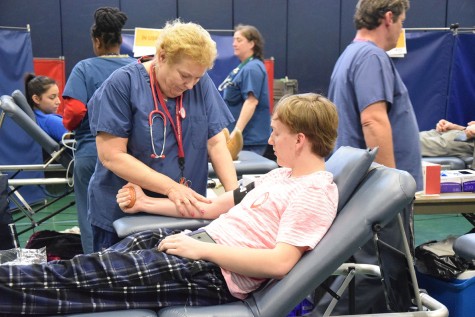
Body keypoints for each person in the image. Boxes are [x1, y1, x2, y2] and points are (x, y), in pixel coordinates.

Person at [0, 93, 338, 315]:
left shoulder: (313, 191)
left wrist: (201, 251)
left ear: (299, 139)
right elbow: (207, 208)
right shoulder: (279, 176)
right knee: (90, 265)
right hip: (200, 243)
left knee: (88, 276)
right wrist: (147, 201)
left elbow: (280, 263)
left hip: (214, 273)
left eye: (276, 132)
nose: (269, 139)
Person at [87, 19, 238, 252]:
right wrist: (171, 188)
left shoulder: (200, 83)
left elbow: (216, 143)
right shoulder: (122, 84)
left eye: (197, 78)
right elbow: (111, 156)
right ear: (162, 56)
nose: (190, 85)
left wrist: (235, 197)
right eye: (184, 76)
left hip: (182, 213)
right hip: (125, 214)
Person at [317, 0, 421, 314]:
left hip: (363, 188)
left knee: (363, 274)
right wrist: (392, 189)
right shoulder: (371, 56)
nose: (401, 29)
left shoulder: (350, 55)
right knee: (381, 279)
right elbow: (372, 120)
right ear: (389, 18)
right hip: (377, 193)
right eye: (402, 22)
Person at [61, 7, 136, 254]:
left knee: (91, 216)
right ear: (121, 39)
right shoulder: (137, 67)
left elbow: (74, 112)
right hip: (133, 156)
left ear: (96, 40)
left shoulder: (84, 68)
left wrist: (68, 126)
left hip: (92, 152)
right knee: (134, 210)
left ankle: (95, 273)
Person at [220, 24, 271, 157]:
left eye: (239, 40)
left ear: (251, 44)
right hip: (242, 139)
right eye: (234, 40)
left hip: (248, 141)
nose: (234, 44)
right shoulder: (243, 67)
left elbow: (251, 102)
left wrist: (236, 133)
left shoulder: (252, 68)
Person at [24, 74, 68, 142]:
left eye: (57, 96)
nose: (59, 102)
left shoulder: (37, 117)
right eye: (52, 97)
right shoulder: (50, 121)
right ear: (36, 99)